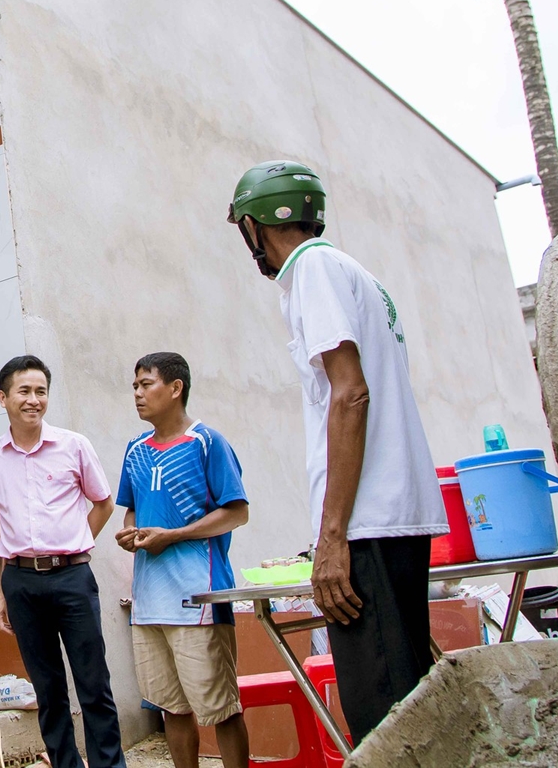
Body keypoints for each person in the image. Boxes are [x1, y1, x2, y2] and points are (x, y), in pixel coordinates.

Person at [226, 160, 447, 741]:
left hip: (368, 522)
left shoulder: (314, 270)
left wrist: (332, 537)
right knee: (412, 702)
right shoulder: (352, 270)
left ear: (255, 225)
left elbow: (350, 395)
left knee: (381, 717)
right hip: (395, 515)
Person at [0, 355, 126, 768]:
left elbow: (103, 503)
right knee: (48, 687)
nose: (33, 400)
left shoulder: (73, 445)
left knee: (94, 683)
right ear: (3, 398)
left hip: (73, 577)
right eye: (24, 391)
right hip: (20, 582)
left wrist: (75, 544)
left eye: (41, 391)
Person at [115, 352, 250, 768]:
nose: (137, 393)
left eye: (146, 384)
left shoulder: (207, 442)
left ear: (175, 389)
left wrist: (173, 536)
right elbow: (132, 510)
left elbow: (237, 511)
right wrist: (132, 535)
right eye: (134, 385)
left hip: (199, 598)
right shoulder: (135, 448)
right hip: (149, 602)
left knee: (221, 707)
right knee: (171, 708)